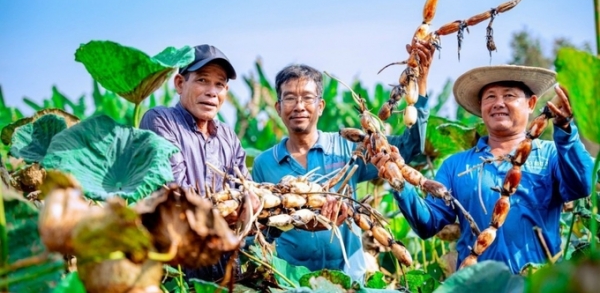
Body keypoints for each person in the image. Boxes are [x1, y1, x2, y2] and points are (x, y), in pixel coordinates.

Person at [375, 64, 594, 274]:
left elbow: (582, 186)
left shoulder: (552, 154)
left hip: (537, 284)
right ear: (481, 107)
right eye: (490, 97)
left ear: (531, 103)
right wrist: (399, 183)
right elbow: (428, 224)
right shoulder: (456, 165)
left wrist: (565, 130)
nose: (498, 103)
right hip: (476, 285)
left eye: (509, 95)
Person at [251, 42, 435, 282]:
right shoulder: (264, 164)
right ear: (278, 107)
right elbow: (259, 229)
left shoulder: (349, 148)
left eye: (307, 97)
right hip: (290, 282)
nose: (299, 106)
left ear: (320, 106)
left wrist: (419, 84)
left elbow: (410, 147)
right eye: (289, 98)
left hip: (349, 281)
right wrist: (297, 222)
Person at [140, 44, 248, 281]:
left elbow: (245, 190)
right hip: (177, 267)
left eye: (219, 84)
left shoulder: (228, 135)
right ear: (180, 83)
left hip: (225, 268)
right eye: (202, 80)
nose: (212, 92)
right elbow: (174, 191)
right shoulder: (160, 120)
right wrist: (226, 211)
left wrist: (247, 203)